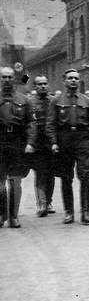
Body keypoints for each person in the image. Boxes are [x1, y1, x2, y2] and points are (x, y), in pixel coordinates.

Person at [44, 69, 89, 224]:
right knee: (66, 177)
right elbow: (50, 123)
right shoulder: (56, 101)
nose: (73, 81)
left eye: (76, 78)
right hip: (65, 139)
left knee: (85, 175)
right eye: (70, 78)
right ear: (64, 81)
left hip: (83, 140)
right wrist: (54, 142)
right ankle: (69, 212)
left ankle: (86, 212)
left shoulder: (87, 101)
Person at [0, 66, 32, 227]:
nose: (6, 80)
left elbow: (30, 123)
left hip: (17, 142)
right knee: (0, 183)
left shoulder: (23, 100)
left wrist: (30, 143)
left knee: (15, 182)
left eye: (9, 77)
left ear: (14, 79)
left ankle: (13, 216)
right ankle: (1, 215)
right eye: (3, 77)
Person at [25, 75, 55, 217]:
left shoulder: (53, 101)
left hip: (51, 143)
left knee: (51, 174)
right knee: (41, 173)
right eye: (40, 84)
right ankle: (42, 203)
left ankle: (48, 202)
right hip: (38, 144)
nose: (43, 86)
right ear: (35, 87)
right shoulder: (30, 102)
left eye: (45, 83)